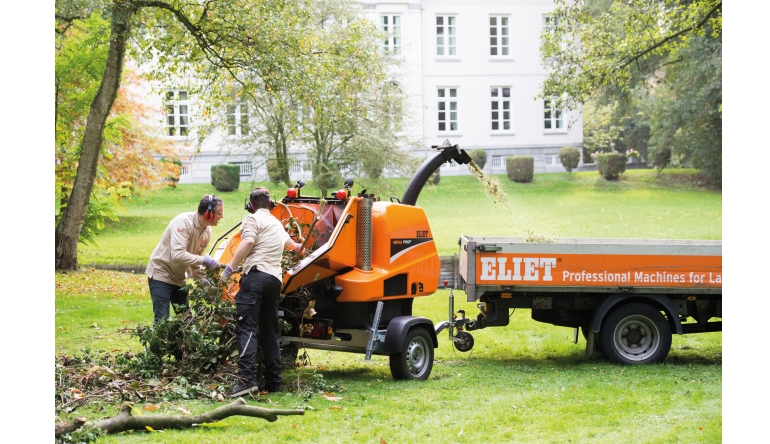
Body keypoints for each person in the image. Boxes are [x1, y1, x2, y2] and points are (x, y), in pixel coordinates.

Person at [221, 187, 303, 397]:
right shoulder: (277, 223)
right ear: (270, 205)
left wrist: (230, 268)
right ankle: (273, 382)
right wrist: (301, 247)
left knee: (247, 327)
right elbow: (293, 246)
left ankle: (247, 380)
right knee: (270, 331)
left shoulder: (251, 220)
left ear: (251, 205)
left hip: (256, 279)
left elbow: (247, 241)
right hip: (274, 281)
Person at [146, 194, 225, 324]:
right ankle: (157, 345)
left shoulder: (207, 231)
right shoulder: (182, 223)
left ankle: (177, 345)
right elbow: (177, 255)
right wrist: (204, 260)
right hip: (161, 274)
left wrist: (205, 283)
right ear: (209, 214)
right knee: (162, 323)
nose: (222, 216)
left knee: (187, 322)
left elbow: (194, 263)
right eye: (220, 213)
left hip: (179, 278)